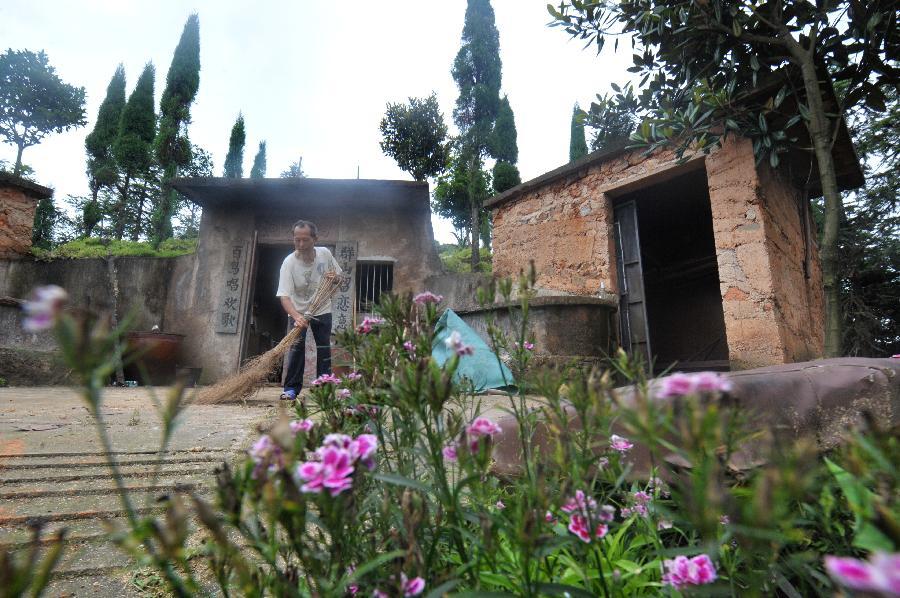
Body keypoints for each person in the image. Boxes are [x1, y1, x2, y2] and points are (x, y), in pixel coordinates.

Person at [275, 220, 342, 400]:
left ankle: (324, 390)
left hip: (322, 308)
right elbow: (284, 296)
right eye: (297, 240)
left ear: (315, 239)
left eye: (305, 240)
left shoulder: (325, 254)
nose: (301, 245)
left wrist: (334, 278)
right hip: (297, 311)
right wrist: (297, 317)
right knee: (296, 349)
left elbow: (338, 277)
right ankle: (291, 389)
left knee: (323, 348)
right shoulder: (288, 263)